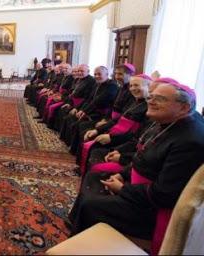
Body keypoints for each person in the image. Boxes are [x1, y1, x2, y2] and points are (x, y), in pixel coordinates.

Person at [69, 79, 204, 242]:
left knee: (91, 204)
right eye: (151, 97)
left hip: (150, 207)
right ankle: (76, 224)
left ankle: (83, 239)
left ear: (183, 107)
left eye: (160, 99)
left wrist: (123, 188)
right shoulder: (167, 121)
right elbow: (144, 155)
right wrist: (124, 174)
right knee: (93, 177)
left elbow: (164, 194)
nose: (151, 101)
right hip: (136, 184)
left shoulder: (190, 141)